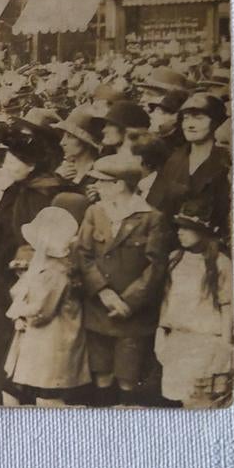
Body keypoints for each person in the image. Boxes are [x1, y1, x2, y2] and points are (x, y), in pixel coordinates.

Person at [0, 124, 65, 404]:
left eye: (15, 158)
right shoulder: (17, 189)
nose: (7, 162)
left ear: (33, 164)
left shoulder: (41, 194)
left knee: (10, 361)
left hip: (17, 289)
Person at [77, 154, 171, 405]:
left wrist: (129, 302)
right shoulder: (95, 212)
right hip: (99, 310)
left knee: (128, 375)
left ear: (119, 185)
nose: (97, 186)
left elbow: (156, 266)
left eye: (103, 182)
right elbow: (83, 255)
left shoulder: (151, 218)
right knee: (101, 372)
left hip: (133, 315)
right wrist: (103, 292)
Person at [3, 206, 90, 405]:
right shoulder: (45, 266)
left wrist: (19, 313)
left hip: (53, 344)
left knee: (48, 399)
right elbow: (21, 291)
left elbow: (42, 311)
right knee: (14, 391)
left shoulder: (55, 271)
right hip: (40, 342)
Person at [155, 200, 234, 407]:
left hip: (205, 342)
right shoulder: (175, 259)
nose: (181, 232)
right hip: (178, 339)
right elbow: (167, 298)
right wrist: (161, 332)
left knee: (199, 401)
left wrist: (225, 346)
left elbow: (227, 306)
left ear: (203, 231)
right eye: (179, 227)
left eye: (188, 229)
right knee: (178, 398)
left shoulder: (221, 264)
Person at [147, 92, 231, 238]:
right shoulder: (175, 160)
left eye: (199, 118)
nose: (190, 125)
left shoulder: (225, 162)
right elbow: (156, 207)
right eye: (186, 118)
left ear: (216, 122)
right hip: (172, 241)